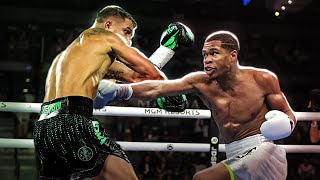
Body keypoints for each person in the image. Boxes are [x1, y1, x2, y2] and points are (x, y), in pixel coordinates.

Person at [98, 30, 297, 180]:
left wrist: (284, 124)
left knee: (201, 178)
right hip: (234, 152)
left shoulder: (262, 78)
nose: (207, 60)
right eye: (204, 55)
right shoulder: (201, 81)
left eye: (214, 53)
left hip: (263, 150)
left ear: (233, 55)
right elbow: (158, 88)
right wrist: (120, 91)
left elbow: (289, 115)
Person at [33, 5, 193, 180]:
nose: (128, 41)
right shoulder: (103, 36)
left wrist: (166, 49)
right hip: (75, 121)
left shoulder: (73, 55)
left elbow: (136, 76)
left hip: (45, 129)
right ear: (108, 25)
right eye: (126, 32)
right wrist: (169, 91)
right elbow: (151, 74)